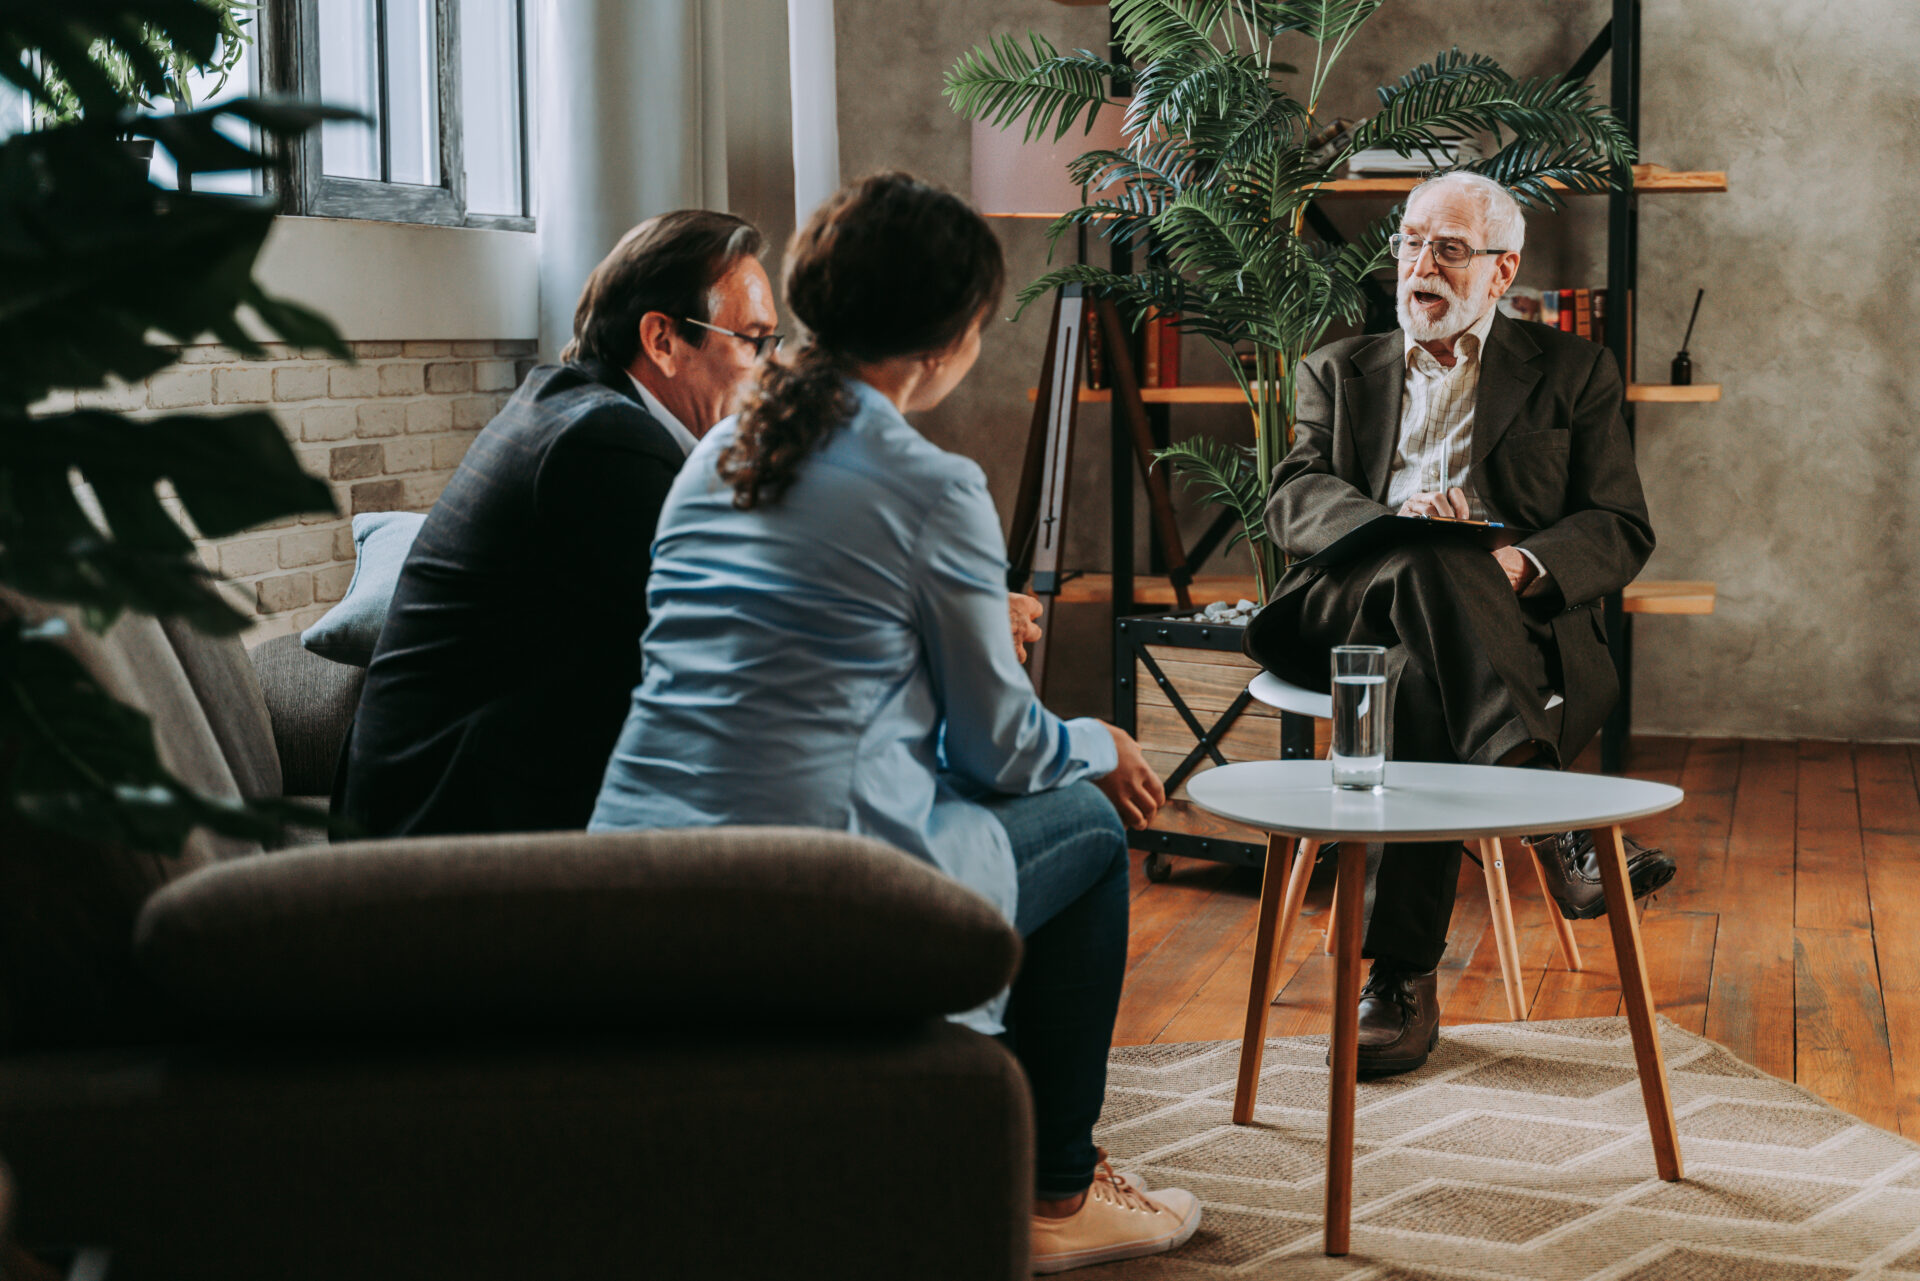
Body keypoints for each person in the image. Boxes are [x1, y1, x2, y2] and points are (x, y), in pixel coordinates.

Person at [589, 172, 1203, 1273]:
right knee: (1087, 822)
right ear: (949, 342)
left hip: (634, 880)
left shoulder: (710, 456)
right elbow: (1000, 747)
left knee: (969, 797)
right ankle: (1057, 1193)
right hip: (811, 896)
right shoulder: (933, 485)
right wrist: (1097, 742)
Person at [1243, 170, 1678, 1076]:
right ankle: (1551, 817)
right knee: (1425, 553)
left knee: (1418, 667)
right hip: (1344, 608)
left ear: (1501, 269)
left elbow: (1618, 524)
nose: (1420, 266)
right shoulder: (1337, 369)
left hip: (1501, 621)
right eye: (1410, 242)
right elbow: (1292, 497)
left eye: (1448, 249)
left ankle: (1398, 980)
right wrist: (1396, 528)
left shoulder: (1573, 371)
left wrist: (1515, 564)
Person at [338, 210, 779, 837]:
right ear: (662, 340)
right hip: (443, 835)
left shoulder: (573, 408)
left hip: (431, 801)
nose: (769, 368)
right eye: (753, 340)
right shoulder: (605, 444)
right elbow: (709, 655)